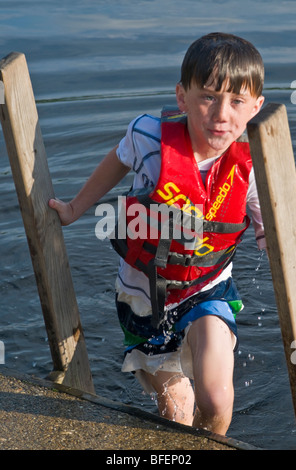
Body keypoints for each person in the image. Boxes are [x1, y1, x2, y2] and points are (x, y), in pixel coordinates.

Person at [49, 32, 266, 436]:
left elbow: (279, 240)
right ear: (182, 97)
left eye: (236, 101)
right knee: (177, 414)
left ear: (255, 107)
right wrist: (74, 208)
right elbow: (116, 160)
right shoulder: (148, 136)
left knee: (216, 400)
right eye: (208, 96)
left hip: (208, 291)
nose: (221, 114)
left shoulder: (253, 167)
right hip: (144, 300)